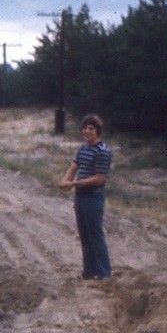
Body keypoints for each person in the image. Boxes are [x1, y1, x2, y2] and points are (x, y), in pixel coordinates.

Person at [59, 113, 112, 279]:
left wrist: (74, 183)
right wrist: (66, 180)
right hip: (80, 196)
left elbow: (99, 178)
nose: (87, 131)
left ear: (97, 131)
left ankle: (104, 274)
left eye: (91, 128)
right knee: (84, 236)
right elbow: (74, 165)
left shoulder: (103, 151)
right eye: (85, 128)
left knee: (95, 235)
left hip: (93, 196)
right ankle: (88, 272)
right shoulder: (83, 148)